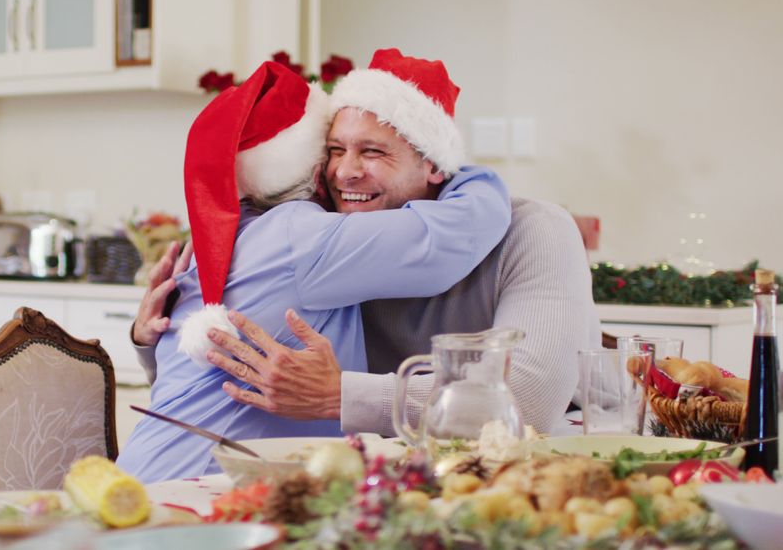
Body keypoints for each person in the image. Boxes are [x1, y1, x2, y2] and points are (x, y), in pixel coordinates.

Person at [133, 48, 600, 437]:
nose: (345, 171)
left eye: (373, 151)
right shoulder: (326, 234)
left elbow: (529, 398)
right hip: (382, 478)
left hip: (524, 468)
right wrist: (151, 336)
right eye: (335, 150)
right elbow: (218, 375)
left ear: (436, 164)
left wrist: (342, 394)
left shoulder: (535, 230)